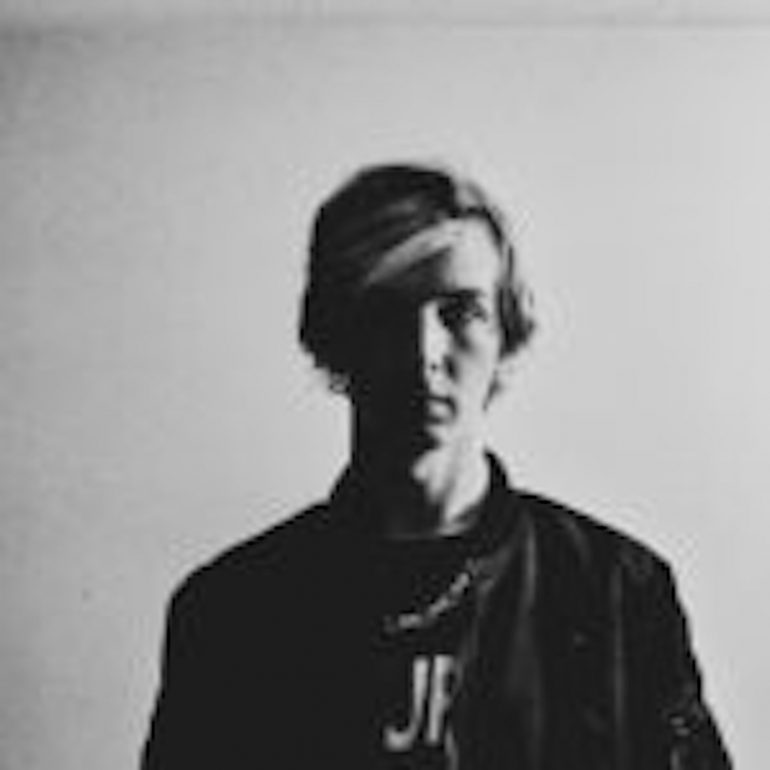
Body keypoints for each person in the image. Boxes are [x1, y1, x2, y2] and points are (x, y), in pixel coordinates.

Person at [142, 162, 731, 769]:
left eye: (461, 312)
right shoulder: (234, 614)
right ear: (335, 334)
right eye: (385, 314)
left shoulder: (616, 594)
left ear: (507, 335)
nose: (424, 353)